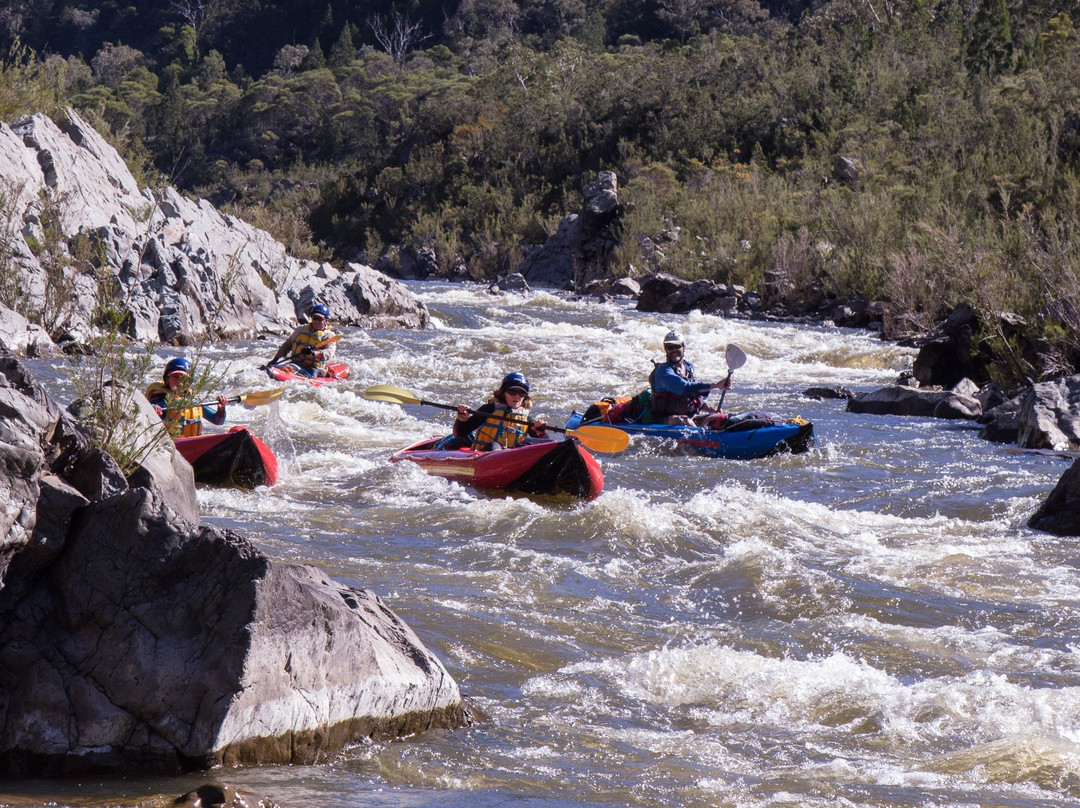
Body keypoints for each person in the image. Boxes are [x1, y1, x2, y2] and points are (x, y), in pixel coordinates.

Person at [648, 330, 730, 426]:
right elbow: (685, 388)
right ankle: (701, 439)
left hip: (689, 416)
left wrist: (713, 411)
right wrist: (716, 385)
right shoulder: (663, 371)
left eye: (677, 346)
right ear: (666, 350)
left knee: (719, 418)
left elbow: (694, 397)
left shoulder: (689, 367)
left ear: (684, 348)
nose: (674, 350)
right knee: (686, 422)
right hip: (664, 418)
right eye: (670, 347)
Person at [452, 372, 548, 451]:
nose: (517, 396)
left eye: (521, 393)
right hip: (485, 453)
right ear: (503, 393)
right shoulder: (489, 409)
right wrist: (461, 419)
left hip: (511, 457)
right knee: (494, 446)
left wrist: (541, 430)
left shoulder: (526, 418)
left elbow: (544, 442)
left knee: (526, 444)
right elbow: (459, 433)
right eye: (512, 392)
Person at [145, 357, 227, 438]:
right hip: (170, 443)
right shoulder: (161, 399)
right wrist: (153, 409)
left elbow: (218, 421)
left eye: (183, 378)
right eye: (175, 377)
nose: (179, 381)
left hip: (192, 441)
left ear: (189, 381)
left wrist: (221, 408)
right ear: (167, 379)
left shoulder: (192, 400)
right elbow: (146, 413)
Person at [269, 303, 338, 377]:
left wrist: (313, 353)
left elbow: (328, 353)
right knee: (277, 367)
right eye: (314, 318)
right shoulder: (300, 330)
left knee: (311, 373)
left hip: (315, 368)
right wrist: (275, 359)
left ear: (326, 320)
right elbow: (287, 345)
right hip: (296, 362)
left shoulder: (329, 336)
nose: (316, 321)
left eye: (320, 319)